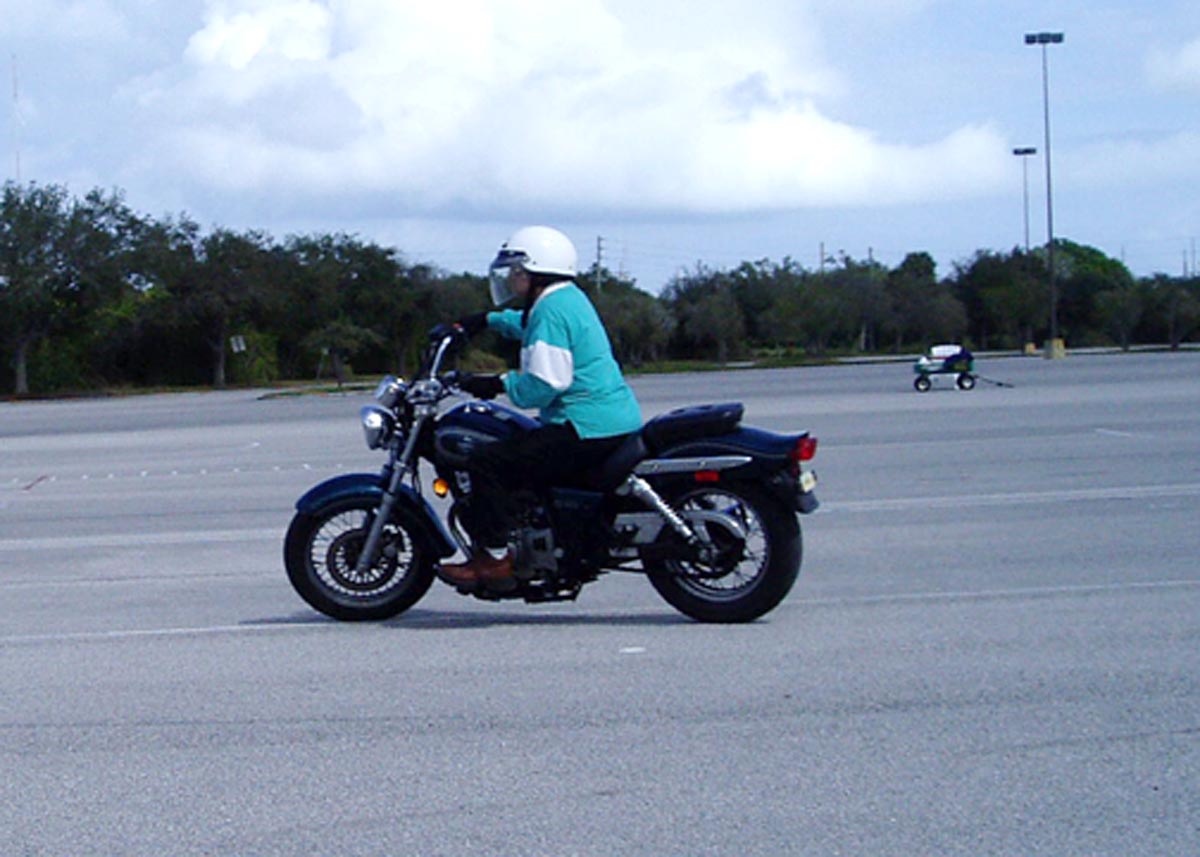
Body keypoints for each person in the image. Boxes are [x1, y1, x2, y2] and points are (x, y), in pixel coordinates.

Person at [438, 225, 642, 587]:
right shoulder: (566, 299)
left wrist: (495, 383)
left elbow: (546, 384)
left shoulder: (550, 310)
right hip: (608, 420)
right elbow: (528, 325)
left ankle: (494, 559)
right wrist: (485, 320)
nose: (512, 278)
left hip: (584, 426)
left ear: (537, 273)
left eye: (518, 271)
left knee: (488, 461)